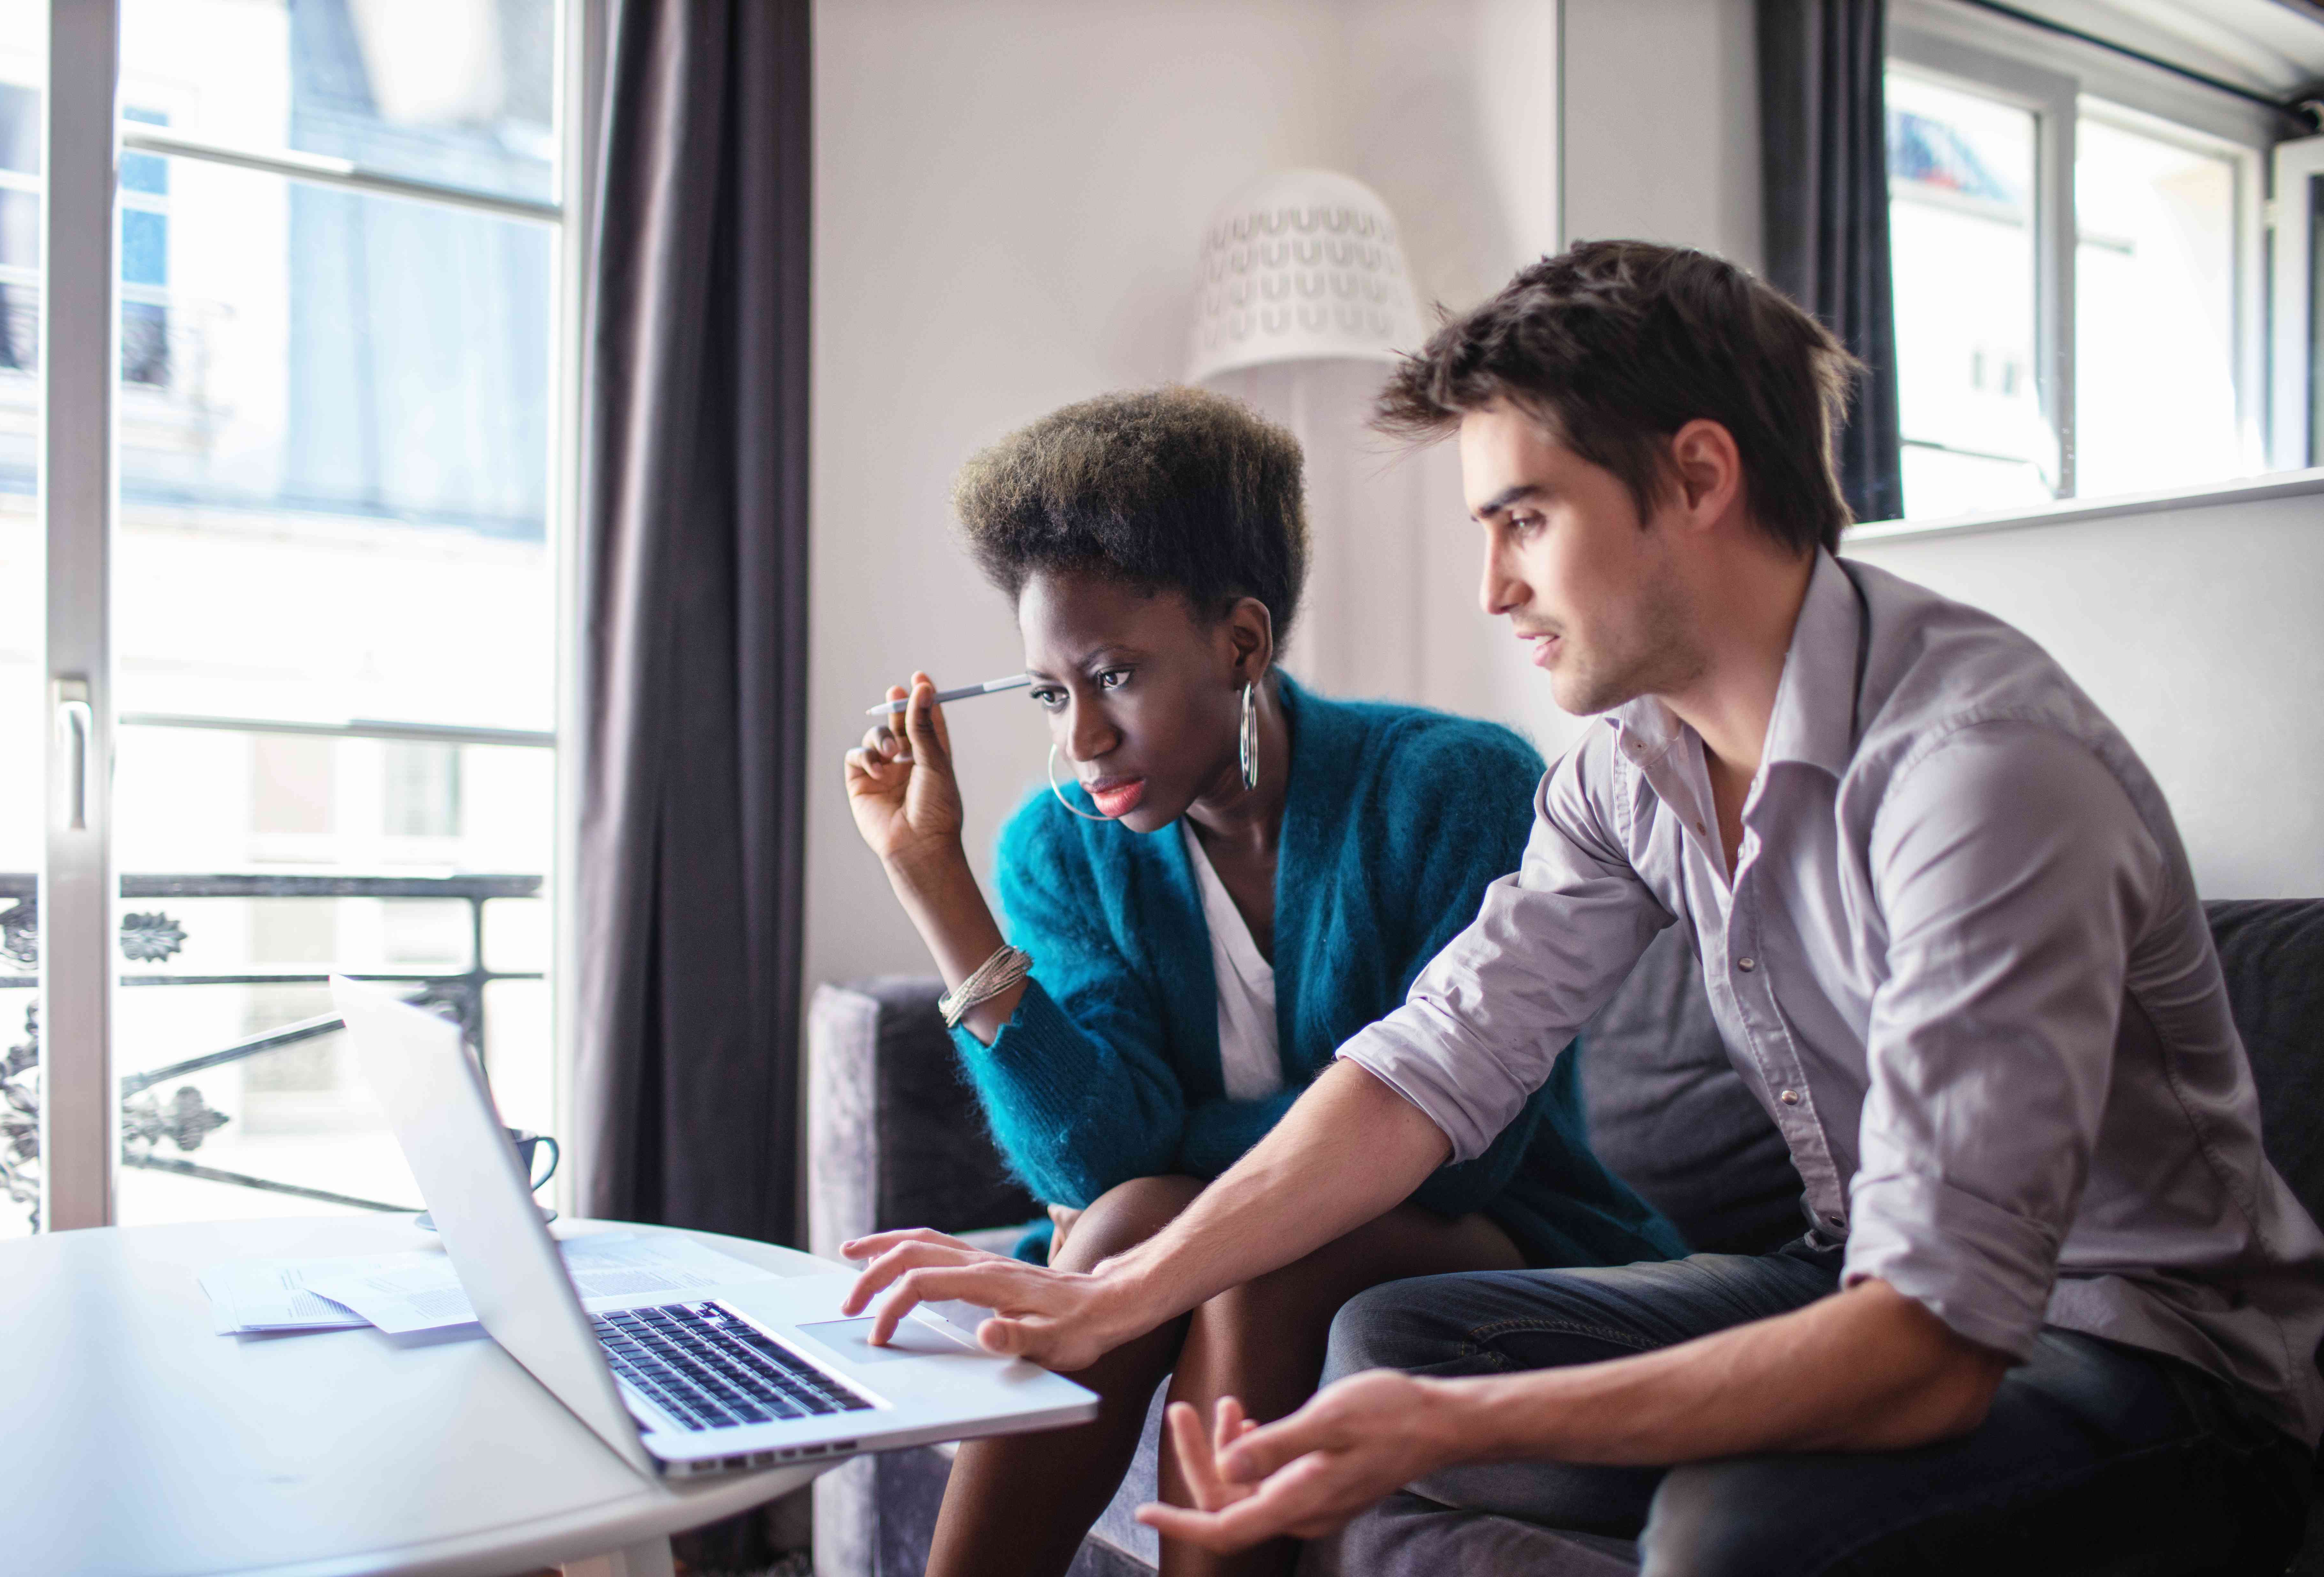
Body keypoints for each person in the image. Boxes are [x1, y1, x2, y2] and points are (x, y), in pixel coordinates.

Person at [840, 244, 2324, 1573]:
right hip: (1843, 1266)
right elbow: (1431, 1064)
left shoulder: (1977, 777)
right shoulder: (1627, 770)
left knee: (1720, 1530)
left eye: (1524, 520)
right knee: (1386, 1330)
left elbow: (1936, 1342)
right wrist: (1120, 1289)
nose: (1491, 587)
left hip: (2138, 1359)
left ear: (1695, 476)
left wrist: (1437, 1428)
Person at [840, 384, 1682, 1577]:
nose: (1079, 740)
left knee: (1250, 1251)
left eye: (1116, 676)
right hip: (1210, 1224)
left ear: (1241, 643)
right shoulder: (1062, 842)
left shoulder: (1453, 790)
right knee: (1134, 1216)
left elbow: (1461, 1152)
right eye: (1049, 691)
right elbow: (1095, 1163)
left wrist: (1176, 1154)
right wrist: (933, 879)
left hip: (1502, 1238)